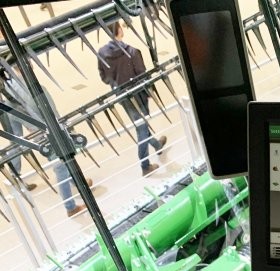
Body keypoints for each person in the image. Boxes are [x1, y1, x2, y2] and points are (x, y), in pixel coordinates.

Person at [0, 68, 90, 218]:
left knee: (64, 161)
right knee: (61, 165)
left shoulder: (12, 85)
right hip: (46, 131)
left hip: (40, 129)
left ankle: (78, 184)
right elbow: (46, 110)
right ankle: (70, 206)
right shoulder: (24, 85)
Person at [98, 21, 167, 176]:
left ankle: (156, 144)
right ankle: (145, 165)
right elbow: (142, 75)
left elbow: (104, 77)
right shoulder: (133, 52)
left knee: (140, 124)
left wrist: (116, 83)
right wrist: (148, 92)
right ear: (120, 30)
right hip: (138, 96)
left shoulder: (102, 53)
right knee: (141, 128)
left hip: (122, 96)